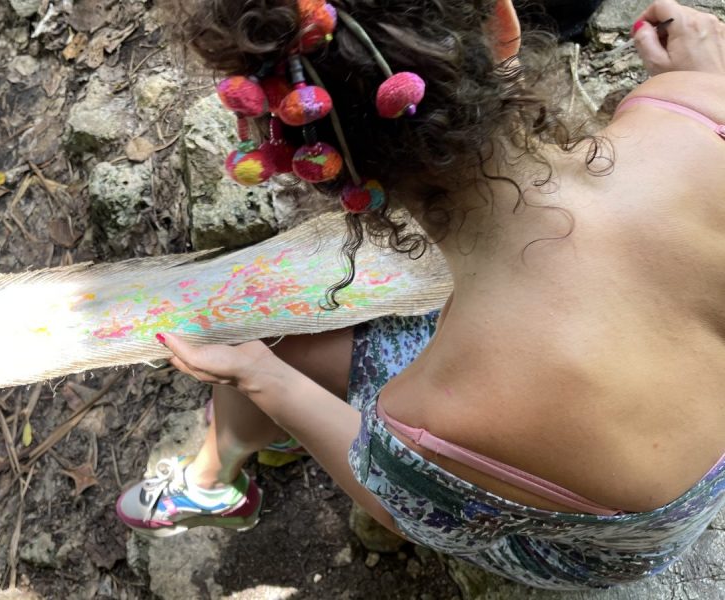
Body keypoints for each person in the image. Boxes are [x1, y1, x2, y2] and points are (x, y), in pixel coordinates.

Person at [116, 0, 725, 590]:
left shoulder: (434, 419)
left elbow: (394, 506)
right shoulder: (699, 112)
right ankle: (236, 457)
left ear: (313, 159)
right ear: (501, 22)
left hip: (594, 550)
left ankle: (217, 482)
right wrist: (702, 80)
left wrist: (261, 376)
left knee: (273, 342)